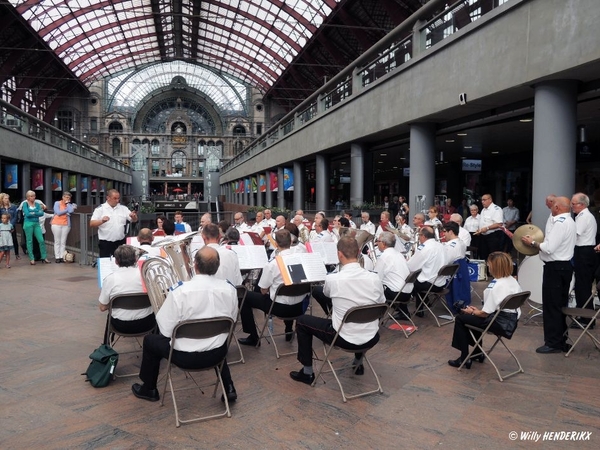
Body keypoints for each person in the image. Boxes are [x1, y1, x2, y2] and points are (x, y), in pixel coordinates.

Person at [131, 246, 238, 403]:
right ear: (217, 266)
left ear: (195, 265)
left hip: (184, 357)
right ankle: (229, 387)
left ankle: (149, 389)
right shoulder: (230, 289)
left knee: (150, 341)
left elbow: (165, 331)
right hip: (217, 354)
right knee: (216, 338)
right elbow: (231, 323)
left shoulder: (180, 291)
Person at [289, 237, 385, 384]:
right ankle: (358, 362)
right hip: (371, 337)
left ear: (339, 254)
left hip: (343, 338)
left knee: (302, 321)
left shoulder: (334, 279)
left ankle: (307, 372)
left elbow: (326, 294)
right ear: (359, 252)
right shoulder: (374, 278)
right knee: (360, 314)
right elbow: (381, 303)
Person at [448, 252, 522, 368]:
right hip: (511, 321)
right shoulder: (512, 281)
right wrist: (476, 312)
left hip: (498, 323)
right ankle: (477, 353)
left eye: (489, 265)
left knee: (461, 319)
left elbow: (484, 314)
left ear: (494, 266)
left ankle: (464, 357)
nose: (488, 267)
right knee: (473, 319)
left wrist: (472, 311)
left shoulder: (497, 285)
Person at [521, 196, 576, 353]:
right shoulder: (570, 221)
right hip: (563, 267)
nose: (551, 208)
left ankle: (553, 342)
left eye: (553, 205)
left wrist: (532, 242)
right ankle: (560, 339)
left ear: (557, 208)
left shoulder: (560, 223)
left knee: (552, 306)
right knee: (560, 305)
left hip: (556, 268)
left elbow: (549, 248)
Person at [238, 229, 305, 346]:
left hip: (278, 308)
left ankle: (253, 337)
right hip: (299, 308)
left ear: (277, 244)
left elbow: (263, 290)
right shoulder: (302, 261)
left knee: (244, 296)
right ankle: (289, 330)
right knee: (291, 289)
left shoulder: (273, 264)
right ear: (291, 242)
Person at [98, 245, 156, 335]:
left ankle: (107, 344)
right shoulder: (146, 275)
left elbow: (102, 307)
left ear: (116, 261)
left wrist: (116, 303)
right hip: (147, 322)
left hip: (120, 325)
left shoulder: (110, 279)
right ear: (136, 259)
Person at [571, 193, 597, 328]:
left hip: (584, 252)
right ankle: (584, 315)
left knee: (583, 286)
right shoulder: (583, 216)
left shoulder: (584, 217)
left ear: (582, 204)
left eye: (573, 204)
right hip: (584, 251)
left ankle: (586, 319)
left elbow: (574, 234)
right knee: (581, 285)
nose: (572, 206)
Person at [408, 226, 446, 316]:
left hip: (429, 284)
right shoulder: (441, 246)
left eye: (419, 235)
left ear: (424, 236)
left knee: (410, 281)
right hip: (441, 283)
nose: (419, 238)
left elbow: (411, 266)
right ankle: (422, 305)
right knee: (419, 279)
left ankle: (407, 310)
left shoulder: (425, 248)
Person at [374, 231, 412, 320]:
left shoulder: (384, 257)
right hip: (407, 292)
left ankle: (376, 318)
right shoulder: (399, 254)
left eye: (378, 241)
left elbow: (376, 278)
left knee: (374, 289)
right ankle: (404, 313)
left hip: (397, 294)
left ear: (383, 243)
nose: (376, 243)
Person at [90, 189, 138, 257]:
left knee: (122, 264)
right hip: (106, 243)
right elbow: (92, 223)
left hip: (120, 242)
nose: (117, 200)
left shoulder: (123, 208)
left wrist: (134, 216)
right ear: (108, 198)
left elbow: (134, 220)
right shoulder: (100, 209)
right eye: (115, 198)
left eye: (118, 198)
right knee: (106, 264)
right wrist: (101, 221)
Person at [22, 190, 49, 265]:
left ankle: (44, 257)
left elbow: (41, 213)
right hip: (28, 223)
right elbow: (27, 214)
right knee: (29, 240)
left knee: (41, 240)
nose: (33, 197)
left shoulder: (37, 204)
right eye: (31, 196)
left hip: (36, 223)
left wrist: (33, 213)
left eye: (34, 196)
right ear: (27, 197)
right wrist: (35, 213)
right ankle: (32, 258)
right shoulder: (25, 204)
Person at [475, 194, 504, 262]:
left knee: (494, 257)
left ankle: (494, 272)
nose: (482, 202)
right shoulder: (483, 210)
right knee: (483, 255)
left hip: (493, 235)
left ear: (490, 200)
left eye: (484, 200)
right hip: (483, 236)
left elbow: (499, 223)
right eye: (482, 200)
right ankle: (485, 272)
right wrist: (479, 229)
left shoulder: (496, 209)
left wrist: (487, 228)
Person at [50, 191, 77, 263]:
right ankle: (57, 257)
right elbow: (58, 212)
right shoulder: (57, 203)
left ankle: (62, 256)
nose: (67, 199)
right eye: (66, 197)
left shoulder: (69, 205)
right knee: (57, 241)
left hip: (66, 224)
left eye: (69, 198)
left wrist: (67, 205)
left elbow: (71, 211)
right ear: (63, 197)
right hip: (56, 223)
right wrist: (66, 211)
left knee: (63, 241)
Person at [0, 193, 21, 260]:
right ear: (2, 199)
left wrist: (11, 224)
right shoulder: (0, 208)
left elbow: (15, 216)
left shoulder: (13, 206)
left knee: (14, 239)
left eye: (8, 198)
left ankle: (17, 254)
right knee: (2, 240)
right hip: (2, 226)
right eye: (5, 198)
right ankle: (3, 253)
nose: (7, 200)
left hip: (11, 225)